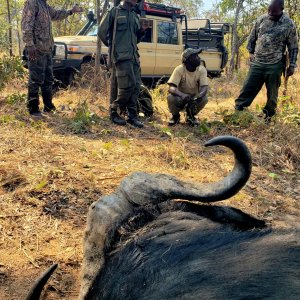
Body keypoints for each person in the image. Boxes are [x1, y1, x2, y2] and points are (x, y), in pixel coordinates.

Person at [235, 0, 298, 121]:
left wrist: (292, 65)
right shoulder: (261, 19)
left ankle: (269, 117)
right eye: (269, 10)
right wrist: (251, 53)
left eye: (273, 12)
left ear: (281, 9)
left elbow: (293, 47)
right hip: (257, 62)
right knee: (247, 88)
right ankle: (238, 112)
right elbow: (252, 38)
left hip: (275, 64)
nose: (270, 13)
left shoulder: (289, 24)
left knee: (272, 95)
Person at [21, 0, 83, 116]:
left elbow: (56, 14)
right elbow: (26, 25)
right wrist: (30, 45)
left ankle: (48, 107)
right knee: (35, 80)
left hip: (47, 50)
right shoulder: (32, 3)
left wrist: (71, 11)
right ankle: (33, 109)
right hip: (36, 50)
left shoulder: (44, 5)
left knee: (48, 79)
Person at [98, 0, 146, 128]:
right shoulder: (114, 12)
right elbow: (101, 32)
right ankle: (114, 111)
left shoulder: (135, 15)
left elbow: (137, 39)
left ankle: (132, 116)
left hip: (134, 56)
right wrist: (114, 47)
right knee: (127, 86)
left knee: (136, 86)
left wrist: (142, 31)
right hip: (121, 57)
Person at [167, 48, 209, 126]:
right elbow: (171, 88)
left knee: (204, 99)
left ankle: (191, 116)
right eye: (195, 56)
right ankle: (175, 116)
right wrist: (182, 95)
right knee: (170, 97)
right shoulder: (179, 69)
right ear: (188, 59)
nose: (199, 58)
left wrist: (200, 96)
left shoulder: (202, 70)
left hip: (194, 98)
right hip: (180, 97)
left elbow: (204, 87)